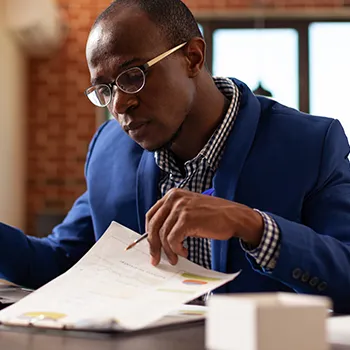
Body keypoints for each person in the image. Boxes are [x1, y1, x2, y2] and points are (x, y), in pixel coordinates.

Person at [1, 0, 350, 313]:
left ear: (193, 58)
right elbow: (58, 260)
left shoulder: (310, 144)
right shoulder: (109, 152)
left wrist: (254, 227)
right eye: (105, 89)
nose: (119, 104)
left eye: (133, 76)